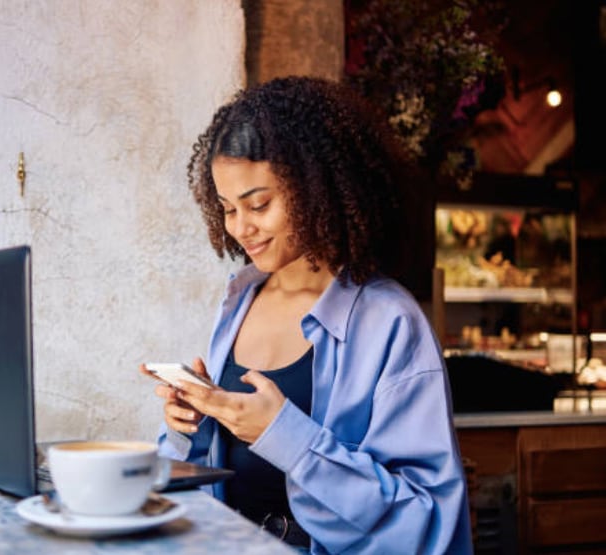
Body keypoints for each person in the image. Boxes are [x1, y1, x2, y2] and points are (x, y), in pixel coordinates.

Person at [140, 76, 472, 554]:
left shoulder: (390, 323)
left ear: (317, 186)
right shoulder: (239, 299)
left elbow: (426, 525)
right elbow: (223, 477)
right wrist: (193, 427)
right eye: (227, 208)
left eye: (259, 204)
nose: (240, 228)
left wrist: (288, 438)